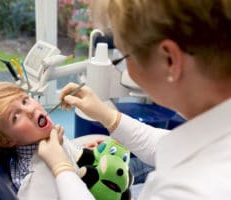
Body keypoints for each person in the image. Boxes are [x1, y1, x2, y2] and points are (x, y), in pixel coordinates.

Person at [38, 0, 231, 199]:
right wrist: (107, 116)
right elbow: (167, 144)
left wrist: (61, 168)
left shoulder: (184, 192)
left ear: (170, 60)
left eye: (124, 57)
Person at [0, 81, 95, 199]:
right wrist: (59, 164)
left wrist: (79, 152)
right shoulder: (32, 179)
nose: (30, 110)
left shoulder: (43, 135)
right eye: (15, 117)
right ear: (7, 141)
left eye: (25, 100)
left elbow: (68, 153)